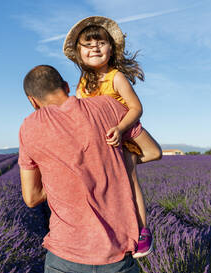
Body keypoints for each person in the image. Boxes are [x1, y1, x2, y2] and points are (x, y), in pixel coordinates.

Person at [19, 65, 143, 273]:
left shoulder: (30, 126)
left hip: (67, 261)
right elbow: (152, 151)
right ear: (66, 87)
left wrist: (62, 182)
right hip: (118, 258)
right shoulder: (108, 106)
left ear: (33, 101)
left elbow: (30, 198)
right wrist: (117, 165)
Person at [63, 16, 162, 258]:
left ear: (111, 49)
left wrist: (119, 128)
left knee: (129, 182)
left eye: (100, 43)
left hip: (122, 137)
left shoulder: (116, 77)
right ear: (78, 53)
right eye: (88, 45)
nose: (94, 48)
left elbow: (136, 108)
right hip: (99, 144)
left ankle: (142, 232)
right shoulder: (83, 82)